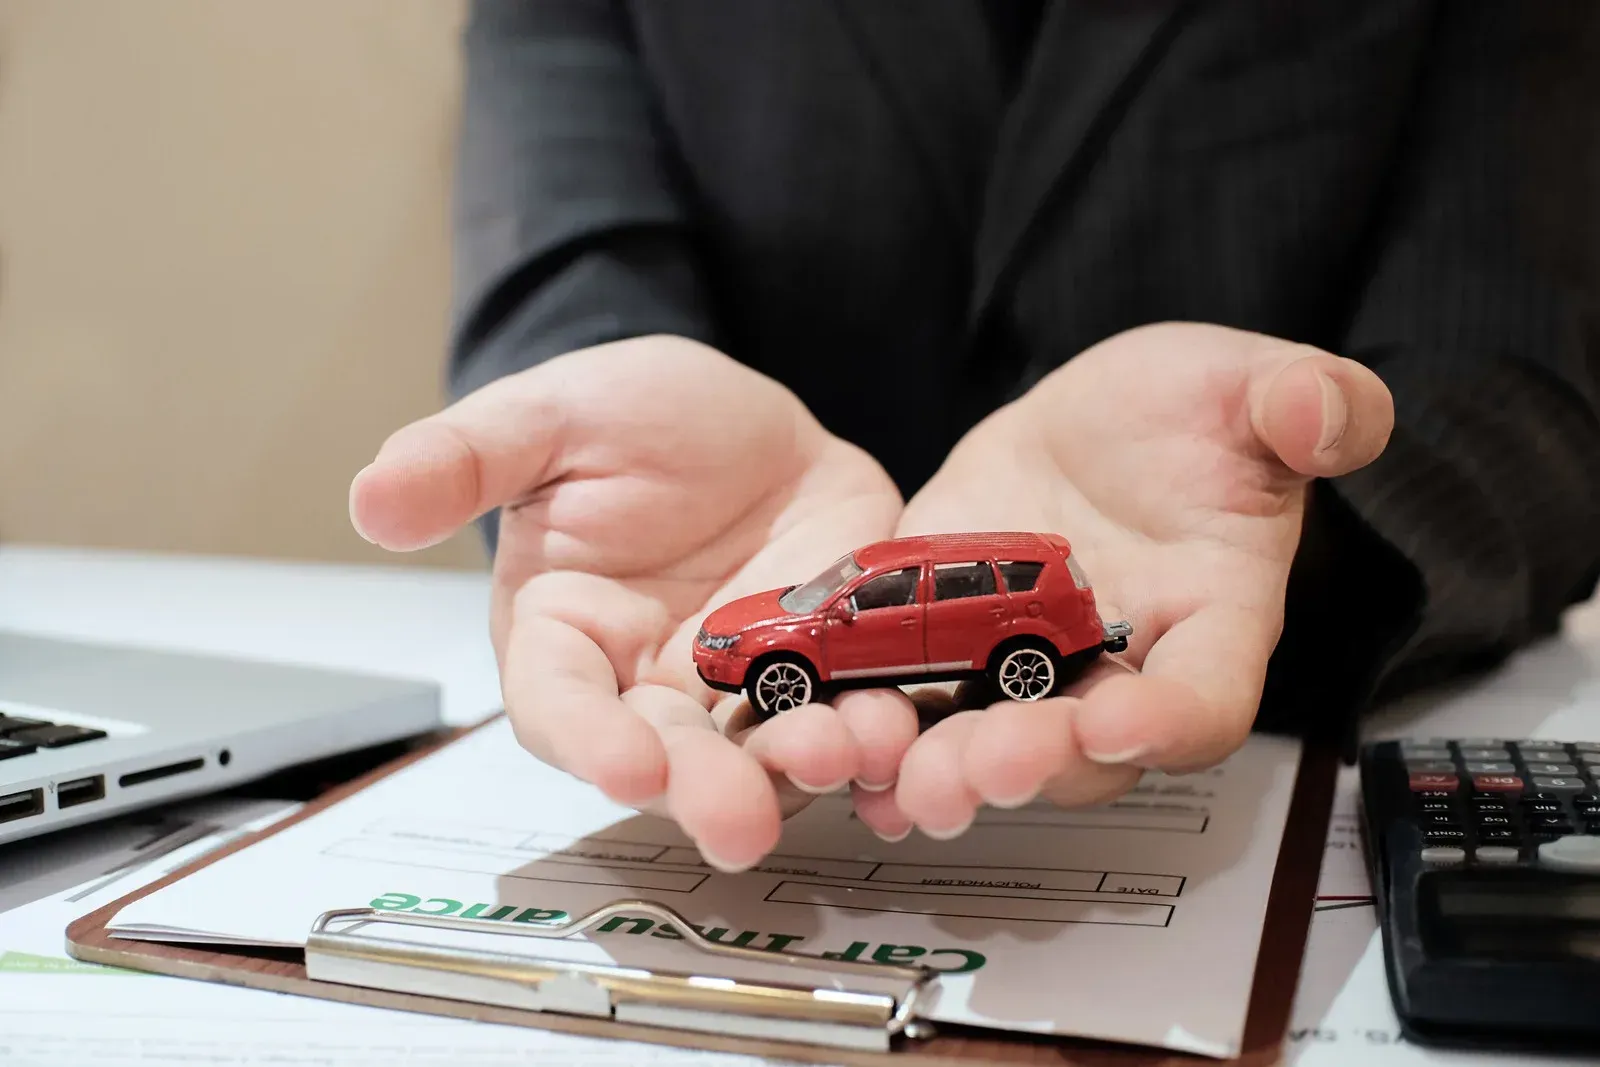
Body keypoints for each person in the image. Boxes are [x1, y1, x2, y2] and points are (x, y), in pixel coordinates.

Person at [348, 1, 1600, 872]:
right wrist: (594, 457)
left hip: (1296, 756)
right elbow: (572, 268)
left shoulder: (935, 615)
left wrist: (1289, 530)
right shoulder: (797, 624)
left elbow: (1522, 369)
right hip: (750, 755)